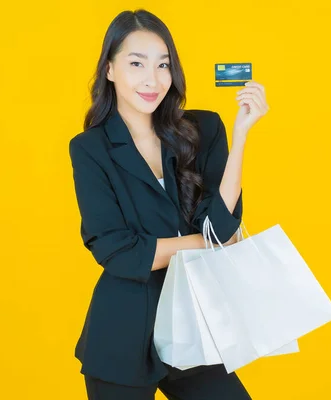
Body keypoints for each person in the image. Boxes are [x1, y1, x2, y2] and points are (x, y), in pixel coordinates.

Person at [68, 9, 269, 400]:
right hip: (123, 334)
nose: (152, 79)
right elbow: (118, 253)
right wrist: (206, 243)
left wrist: (242, 134)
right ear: (109, 70)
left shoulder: (204, 128)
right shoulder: (90, 148)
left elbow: (223, 226)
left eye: (163, 65)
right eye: (136, 63)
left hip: (192, 328)